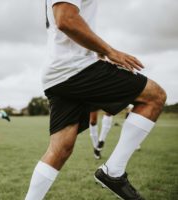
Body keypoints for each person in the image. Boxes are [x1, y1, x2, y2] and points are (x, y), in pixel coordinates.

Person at [25, 1, 166, 199]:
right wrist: (110, 51)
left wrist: (97, 51)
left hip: (58, 75)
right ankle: (113, 172)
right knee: (155, 96)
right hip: (76, 69)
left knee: (60, 149)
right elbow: (65, 19)